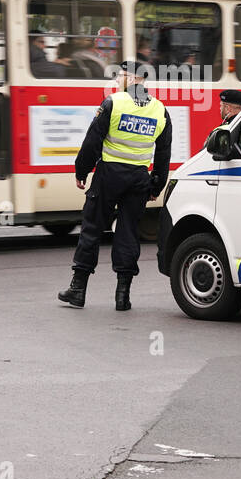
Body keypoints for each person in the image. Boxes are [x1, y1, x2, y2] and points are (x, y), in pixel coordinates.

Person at [59, 60, 172, 312]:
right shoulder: (160, 110)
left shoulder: (113, 103)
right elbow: (163, 154)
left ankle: (78, 290)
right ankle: (123, 296)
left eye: (121, 75)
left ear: (134, 79)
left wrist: (82, 170)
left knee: (92, 228)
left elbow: (92, 141)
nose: (117, 79)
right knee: (129, 232)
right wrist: (156, 185)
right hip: (139, 179)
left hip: (109, 175)